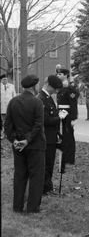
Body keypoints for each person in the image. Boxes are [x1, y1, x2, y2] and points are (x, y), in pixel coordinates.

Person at [4, 74, 45, 213]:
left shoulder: (13, 102)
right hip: (35, 145)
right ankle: (32, 207)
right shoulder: (37, 102)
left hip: (18, 146)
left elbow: (8, 124)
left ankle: (17, 206)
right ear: (34, 86)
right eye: (37, 84)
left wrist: (14, 140)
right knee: (36, 176)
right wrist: (27, 140)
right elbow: (38, 125)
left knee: (19, 176)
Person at [37, 75, 65, 195]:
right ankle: (44, 188)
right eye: (54, 88)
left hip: (51, 136)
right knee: (46, 164)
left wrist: (58, 133)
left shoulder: (48, 97)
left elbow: (51, 115)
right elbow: (46, 120)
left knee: (50, 163)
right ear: (49, 86)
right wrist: (59, 117)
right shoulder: (41, 98)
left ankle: (48, 187)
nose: (55, 91)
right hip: (45, 137)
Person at [56, 68, 79, 173]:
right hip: (60, 113)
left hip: (67, 114)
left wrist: (73, 118)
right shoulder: (60, 87)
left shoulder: (70, 87)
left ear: (65, 75)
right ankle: (64, 156)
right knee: (62, 136)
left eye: (60, 74)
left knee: (69, 135)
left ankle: (69, 158)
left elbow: (73, 104)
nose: (58, 75)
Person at [1, 74, 16, 139]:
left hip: (10, 107)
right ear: (1, 80)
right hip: (2, 107)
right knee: (3, 121)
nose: (5, 80)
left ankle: (10, 133)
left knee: (10, 120)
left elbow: (14, 96)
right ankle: (3, 134)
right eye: (4, 79)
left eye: (6, 79)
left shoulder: (11, 86)